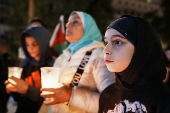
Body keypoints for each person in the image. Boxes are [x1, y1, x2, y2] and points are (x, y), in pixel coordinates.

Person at [40, 11, 115, 113]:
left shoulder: (99, 56)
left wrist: (71, 95)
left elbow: (112, 103)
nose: (68, 25)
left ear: (88, 28)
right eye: (68, 22)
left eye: (75, 22)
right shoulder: (62, 57)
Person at [98, 15, 170, 113]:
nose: (106, 50)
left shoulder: (162, 100)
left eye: (117, 42)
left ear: (140, 49)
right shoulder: (107, 94)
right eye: (106, 42)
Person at [5, 26, 55, 113]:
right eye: (27, 45)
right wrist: (12, 90)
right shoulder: (24, 64)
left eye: (34, 44)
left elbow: (52, 98)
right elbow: (18, 98)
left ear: (43, 44)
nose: (30, 48)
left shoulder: (53, 66)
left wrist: (27, 89)